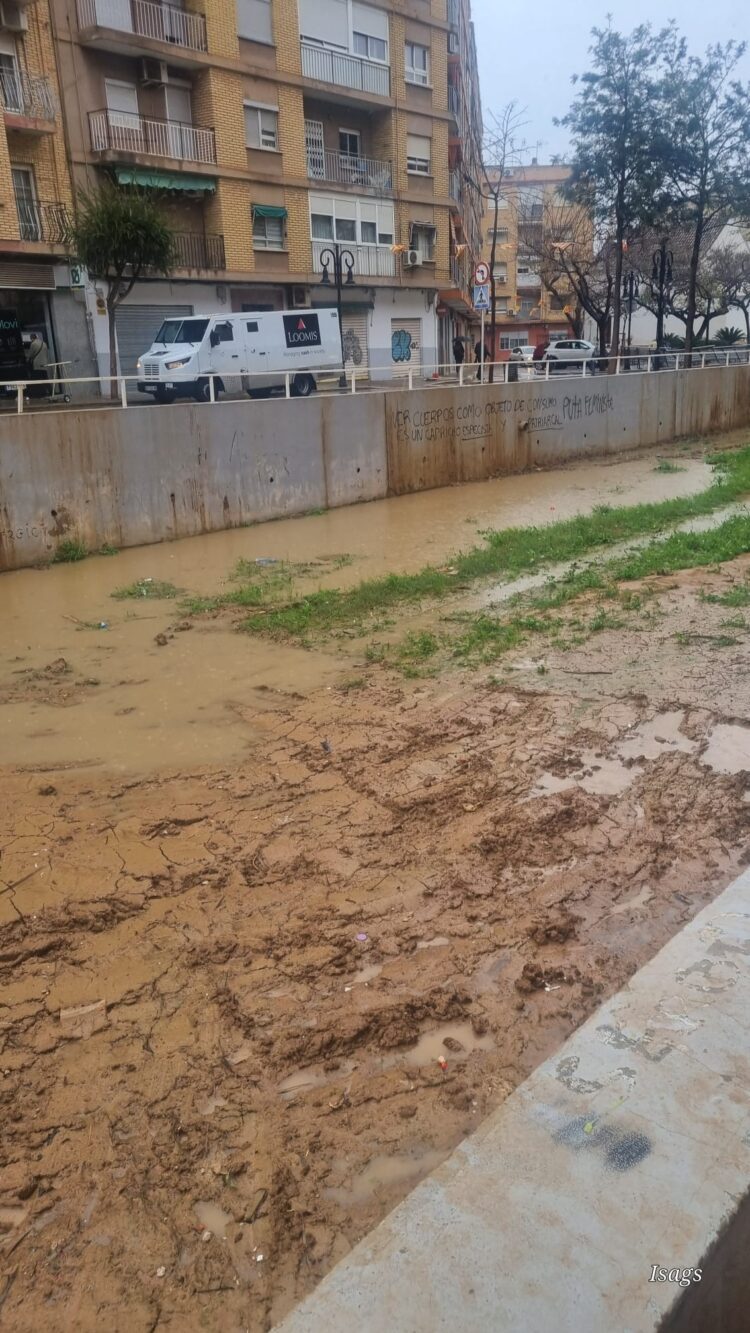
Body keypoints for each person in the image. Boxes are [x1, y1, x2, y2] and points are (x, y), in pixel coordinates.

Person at [25, 332, 50, 399]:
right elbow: (46, 354)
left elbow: (30, 355)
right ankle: (50, 392)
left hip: (36, 365)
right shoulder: (44, 343)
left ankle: (36, 394)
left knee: (35, 379)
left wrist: (27, 359)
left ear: (31, 338)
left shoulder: (33, 344)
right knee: (45, 379)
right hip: (44, 364)